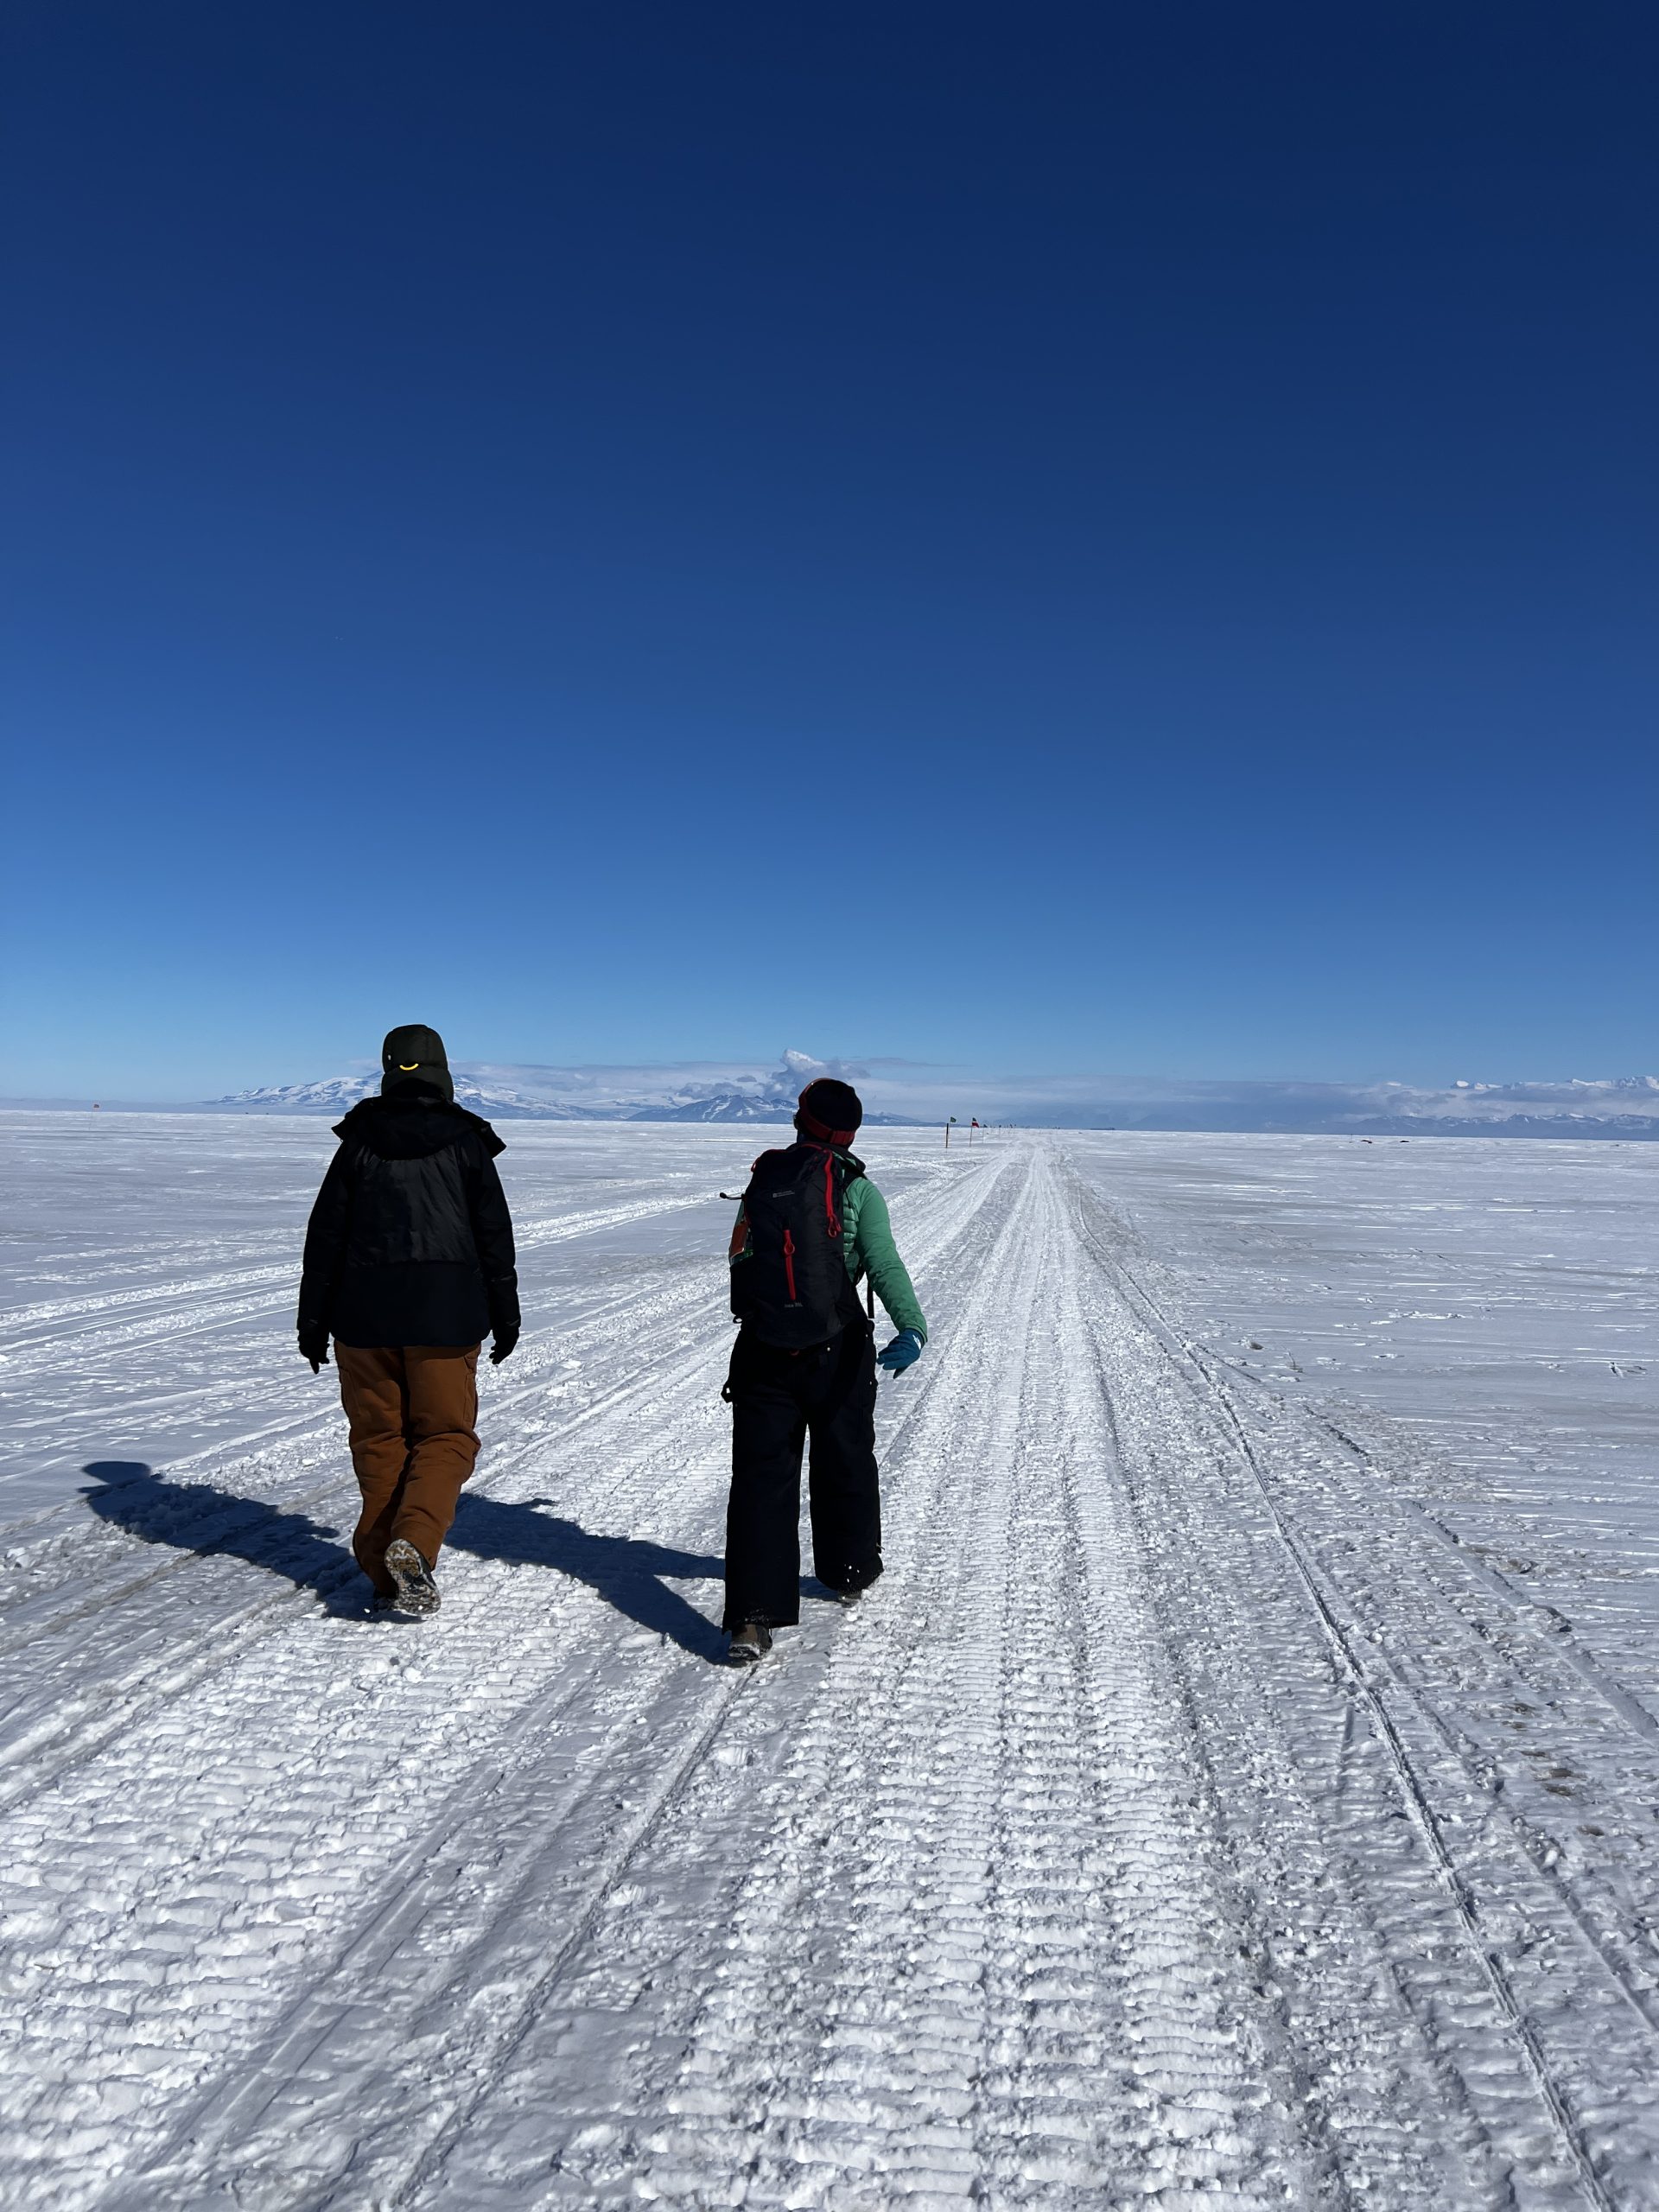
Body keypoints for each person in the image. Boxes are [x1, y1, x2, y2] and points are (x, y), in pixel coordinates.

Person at [296, 1024, 520, 1617]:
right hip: (445, 1317)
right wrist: (507, 1314)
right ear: (443, 1068)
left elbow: (324, 1240)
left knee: (379, 1440)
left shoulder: (358, 1142)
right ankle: (413, 1544)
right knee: (445, 1437)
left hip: (361, 1318)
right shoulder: (466, 1142)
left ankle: (383, 1570)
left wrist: (312, 1321)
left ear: (387, 1068)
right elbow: (494, 1238)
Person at [721, 1077, 926, 1662]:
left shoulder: (766, 1179)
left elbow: (740, 1256)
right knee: (845, 1461)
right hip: (838, 1349)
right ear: (852, 1132)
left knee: (763, 1479)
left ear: (799, 1123)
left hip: (763, 1349)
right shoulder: (859, 1190)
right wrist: (911, 1327)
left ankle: (752, 1620)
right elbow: (883, 1262)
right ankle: (848, 1571)